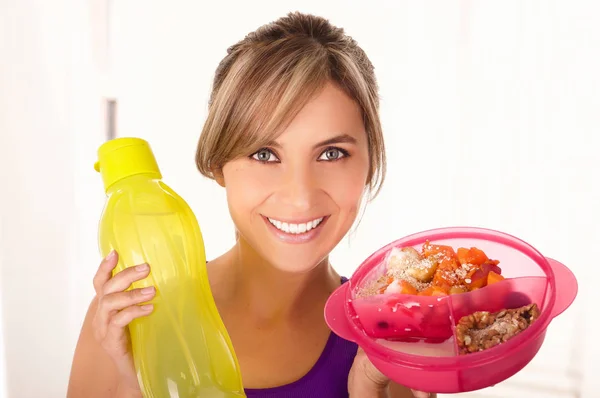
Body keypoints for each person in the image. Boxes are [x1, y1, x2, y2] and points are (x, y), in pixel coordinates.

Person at [67, 11, 435, 398]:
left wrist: (366, 392)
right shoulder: (127, 322)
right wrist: (133, 384)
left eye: (331, 153)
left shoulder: (395, 343)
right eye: (264, 154)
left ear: (370, 161)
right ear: (217, 163)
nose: (300, 195)